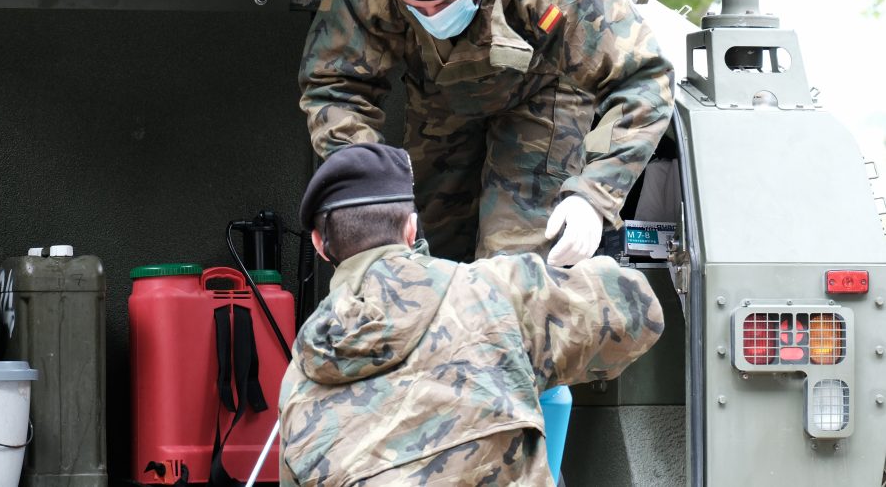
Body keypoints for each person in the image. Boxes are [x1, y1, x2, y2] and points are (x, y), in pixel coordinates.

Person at [278, 143, 665, 486]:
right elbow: (639, 310)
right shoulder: (500, 290)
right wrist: (588, 208)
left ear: (319, 244)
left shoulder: (300, 376)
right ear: (412, 228)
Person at [298, 0, 675, 266]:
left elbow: (644, 78)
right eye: (416, 8)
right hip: (440, 93)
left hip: (543, 92)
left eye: (445, 2)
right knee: (418, 256)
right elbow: (333, 86)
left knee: (512, 270)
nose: (433, 17)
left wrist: (595, 193)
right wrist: (370, 191)